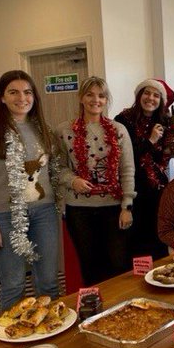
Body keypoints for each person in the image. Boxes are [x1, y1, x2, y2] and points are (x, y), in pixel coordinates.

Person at [0, 71, 63, 311]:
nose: (22, 98)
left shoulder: (43, 129)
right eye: (14, 92)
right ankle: (13, 340)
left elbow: (56, 169)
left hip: (44, 212)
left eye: (27, 92)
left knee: (49, 282)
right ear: (2, 97)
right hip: (4, 217)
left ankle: (49, 333)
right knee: (13, 284)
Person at [56, 77, 135, 284]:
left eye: (101, 95)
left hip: (113, 207)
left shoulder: (118, 130)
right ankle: (98, 313)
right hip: (79, 209)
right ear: (81, 98)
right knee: (90, 266)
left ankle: (119, 310)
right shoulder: (64, 131)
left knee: (118, 265)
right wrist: (72, 180)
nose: (95, 100)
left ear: (106, 99)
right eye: (90, 94)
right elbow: (57, 168)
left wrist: (127, 206)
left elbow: (127, 169)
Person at [114, 78, 174, 259]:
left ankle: (159, 277)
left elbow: (164, 158)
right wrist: (150, 141)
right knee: (135, 240)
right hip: (133, 188)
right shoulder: (123, 120)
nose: (151, 98)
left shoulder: (165, 122)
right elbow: (124, 157)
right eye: (147, 93)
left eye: (156, 95)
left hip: (157, 189)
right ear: (139, 95)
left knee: (157, 237)